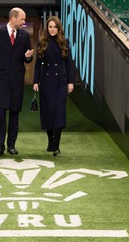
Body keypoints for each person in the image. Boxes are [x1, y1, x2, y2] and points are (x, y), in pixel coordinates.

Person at [0, 7, 34, 157]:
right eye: (22, 19)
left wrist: (29, 56)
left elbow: (27, 59)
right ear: (13, 18)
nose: (24, 22)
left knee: (14, 113)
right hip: (0, 79)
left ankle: (11, 145)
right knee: (0, 111)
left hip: (17, 79)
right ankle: (0, 145)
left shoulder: (24, 35)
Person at [33, 16, 75, 156]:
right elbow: (38, 65)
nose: (52, 29)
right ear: (47, 28)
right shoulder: (42, 42)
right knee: (48, 113)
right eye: (50, 26)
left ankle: (56, 144)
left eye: (55, 27)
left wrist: (70, 82)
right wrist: (35, 81)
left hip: (60, 82)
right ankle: (50, 140)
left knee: (59, 113)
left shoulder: (64, 42)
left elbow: (68, 63)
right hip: (46, 82)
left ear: (59, 28)